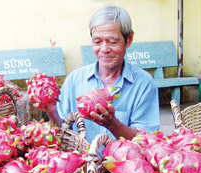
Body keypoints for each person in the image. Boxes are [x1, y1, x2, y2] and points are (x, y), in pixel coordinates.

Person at [35, 5, 160, 143]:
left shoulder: (144, 84)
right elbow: (63, 130)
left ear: (128, 39)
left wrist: (113, 124)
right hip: (82, 162)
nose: (104, 49)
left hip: (124, 163)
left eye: (112, 41)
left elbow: (146, 141)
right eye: (97, 42)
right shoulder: (74, 80)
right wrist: (51, 111)